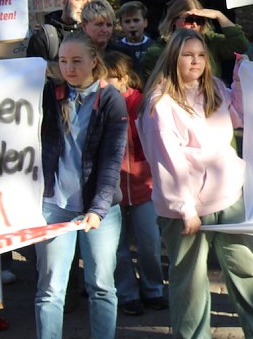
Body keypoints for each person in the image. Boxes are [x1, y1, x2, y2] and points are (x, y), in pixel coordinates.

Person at [138, 29, 253, 338]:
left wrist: (242, 82)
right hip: (187, 209)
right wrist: (185, 209)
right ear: (172, 58)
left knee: (247, 268)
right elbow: (167, 160)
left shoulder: (215, 89)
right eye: (188, 55)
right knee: (189, 281)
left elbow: (240, 116)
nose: (196, 61)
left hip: (229, 195)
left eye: (202, 55)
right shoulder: (159, 104)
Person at [35, 32, 128, 338]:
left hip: (98, 210)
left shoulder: (111, 99)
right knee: (50, 290)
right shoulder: (49, 94)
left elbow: (112, 161)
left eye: (76, 61)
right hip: (53, 206)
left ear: (94, 61)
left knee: (101, 287)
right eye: (63, 61)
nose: (69, 68)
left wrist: (98, 209)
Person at [103, 51, 168, 317]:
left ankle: (153, 288)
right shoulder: (100, 104)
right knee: (116, 248)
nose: (107, 82)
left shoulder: (143, 103)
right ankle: (127, 293)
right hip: (110, 188)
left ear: (126, 78)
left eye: (112, 78)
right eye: (103, 78)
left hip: (144, 185)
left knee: (150, 242)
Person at [140, 0, 248, 82]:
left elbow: (240, 45)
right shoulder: (158, 51)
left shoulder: (211, 41)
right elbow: (152, 87)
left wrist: (219, 15)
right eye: (189, 20)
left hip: (208, 103)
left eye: (199, 20)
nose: (194, 25)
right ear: (173, 21)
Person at [26, 0, 94, 61]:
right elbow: (36, 71)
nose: (84, 6)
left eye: (88, 3)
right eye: (80, 0)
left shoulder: (92, 34)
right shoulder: (44, 37)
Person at [110, 1, 156, 66]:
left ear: (145, 22)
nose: (132, 25)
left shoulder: (153, 47)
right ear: (121, 25)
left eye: (136, 20)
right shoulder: (116, 49)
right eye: (127, 21)